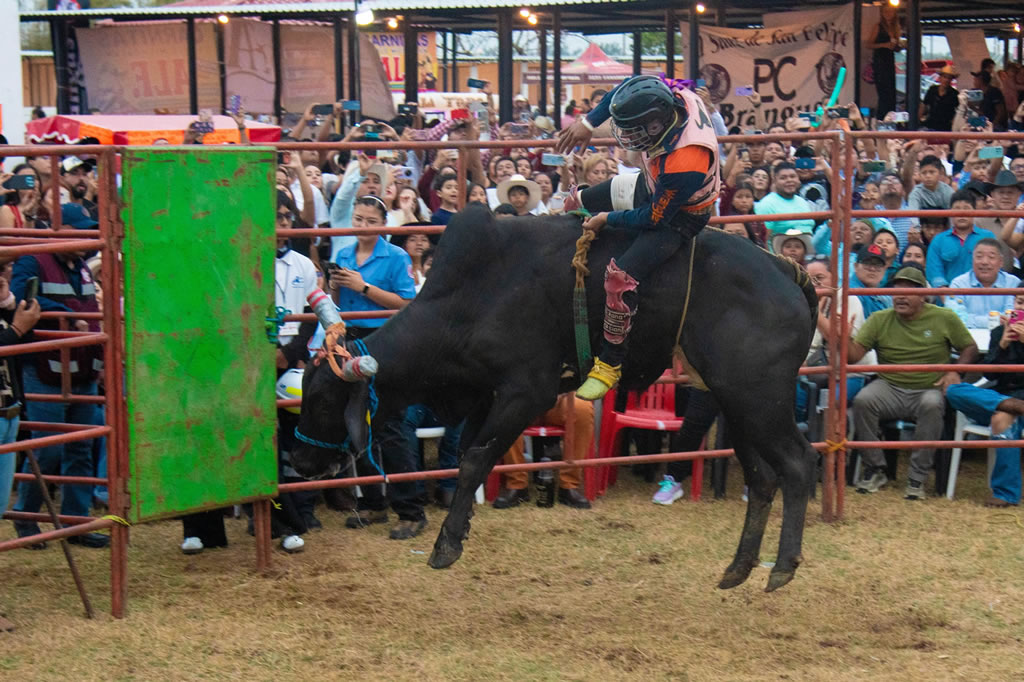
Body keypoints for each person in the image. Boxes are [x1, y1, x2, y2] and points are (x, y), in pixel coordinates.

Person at [553, 75, 720, 400]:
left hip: (680, 216)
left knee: (620, 276)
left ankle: (609, 363)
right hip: (653, 181)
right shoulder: (671, 96)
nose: (626, 137)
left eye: (633, 130)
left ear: (656, 126)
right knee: (574, 202)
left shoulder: (687, 160)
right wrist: (588, 123)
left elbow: (654, 217)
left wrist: (606, 218)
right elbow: (629, 89)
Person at [10, 206, 107, 548]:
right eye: (79, 231)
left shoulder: (81, 266)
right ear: (60, 228)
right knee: (47, 448)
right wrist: (67, 316)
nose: (85, 238)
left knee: (81, 447)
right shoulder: (33, 260)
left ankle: (75, 523)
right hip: (45, 369)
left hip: (82, 368)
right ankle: (27, 516)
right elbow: (22, 299)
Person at [329, 196, 425, 539]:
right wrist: (334, 287)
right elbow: (336, 305)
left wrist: (364, 287)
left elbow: (406, 303)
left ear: (383, 223)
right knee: (356, 424)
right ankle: (373, 502)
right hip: (351, 338)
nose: (363, 226)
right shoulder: (343, 254)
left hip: (386, 339)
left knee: (390, 425)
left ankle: (411, 510)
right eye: (358, 219)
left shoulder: (397, 256)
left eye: (371, 220)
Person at [849, 265, 978, 499]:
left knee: (932, 404)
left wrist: (954, 370)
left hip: (929, 386)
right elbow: (853, 356)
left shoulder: (944, 317)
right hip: (889, 385)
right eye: (896, 290)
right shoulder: (879, 319)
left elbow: (970, 347)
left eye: (908, 291)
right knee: (863, 401)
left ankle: (917, 478)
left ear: (923, 295)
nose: (900, 296)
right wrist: (843, 337)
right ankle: (876, 468)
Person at [945, 293, 1024, 507]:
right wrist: (1003, 344)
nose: (1021, 308)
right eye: (1019, 302)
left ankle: (1006, 494)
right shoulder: (999, 331)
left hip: (1013, 399)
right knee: (954, 390)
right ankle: (1012, 406)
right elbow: (989, 374)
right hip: (1000, 396)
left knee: (1002, 419)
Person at [492, 397, 594, 510]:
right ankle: (517, 484)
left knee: (582, 408)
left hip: (559, 400)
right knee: (507, 408)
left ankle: (569, 484)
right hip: (523, 402)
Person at [0, 257, 41, 529]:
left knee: (0, 503)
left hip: (9, 410)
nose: (7, 274)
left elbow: (23, 348)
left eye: (3, 269)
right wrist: (16, 328)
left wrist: (9, 306)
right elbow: (14, 337)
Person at [925, 189, 997, 287]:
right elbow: (934, 273)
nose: (962, 213)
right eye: (957, 208)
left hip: (982, 293)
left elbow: (995, 269)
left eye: (966, 208)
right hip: (948, 294)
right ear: (950, 212)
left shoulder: (988, 237)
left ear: (975, 211)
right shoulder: (938, 240)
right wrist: (947, 294)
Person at [949, 238, 1020, 328]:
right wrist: (992, 320)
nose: (984, 262)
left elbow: (1014, 315)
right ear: (972, 260)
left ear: (1001, 262)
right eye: (979, 257)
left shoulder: (1013, 283)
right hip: (969, 335)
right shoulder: (958, 284)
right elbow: (956, 318)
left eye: (991, 257)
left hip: (1005, 334)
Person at [754, 163, 815, 243]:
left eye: (792, 176)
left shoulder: (803, 202)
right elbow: (763, 240)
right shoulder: (766, 204)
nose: (789, 180)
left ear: (798, 179)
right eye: (783, 178)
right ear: (775, 181)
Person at [867, 2, 903, 118]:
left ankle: (890, 118)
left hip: (889, 61)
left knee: (891, 93)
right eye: (885, 12)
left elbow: (896, 47)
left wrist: (898, 46)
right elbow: (869, 44)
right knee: (884, 92)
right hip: (880, 61)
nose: (888, 14)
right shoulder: (878, 27)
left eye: (890, 12)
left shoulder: (895, 28)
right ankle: (881, 118)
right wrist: (884, 45)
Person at [849, 244, 892, 320]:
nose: (872, 269)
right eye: (867, 263)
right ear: (856, 266)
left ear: (885, 269)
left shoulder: (884, 297)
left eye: (878, 265)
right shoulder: (850, 291)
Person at [920, 65, 960, 131]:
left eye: (949, 78)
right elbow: (924, 105)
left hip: (945, 127)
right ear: (940, 78)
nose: (946, 80)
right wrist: (918, 120)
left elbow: (957, 112)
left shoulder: (954, 94)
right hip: (930, 124)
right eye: (944, 77)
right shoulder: (932, 90)